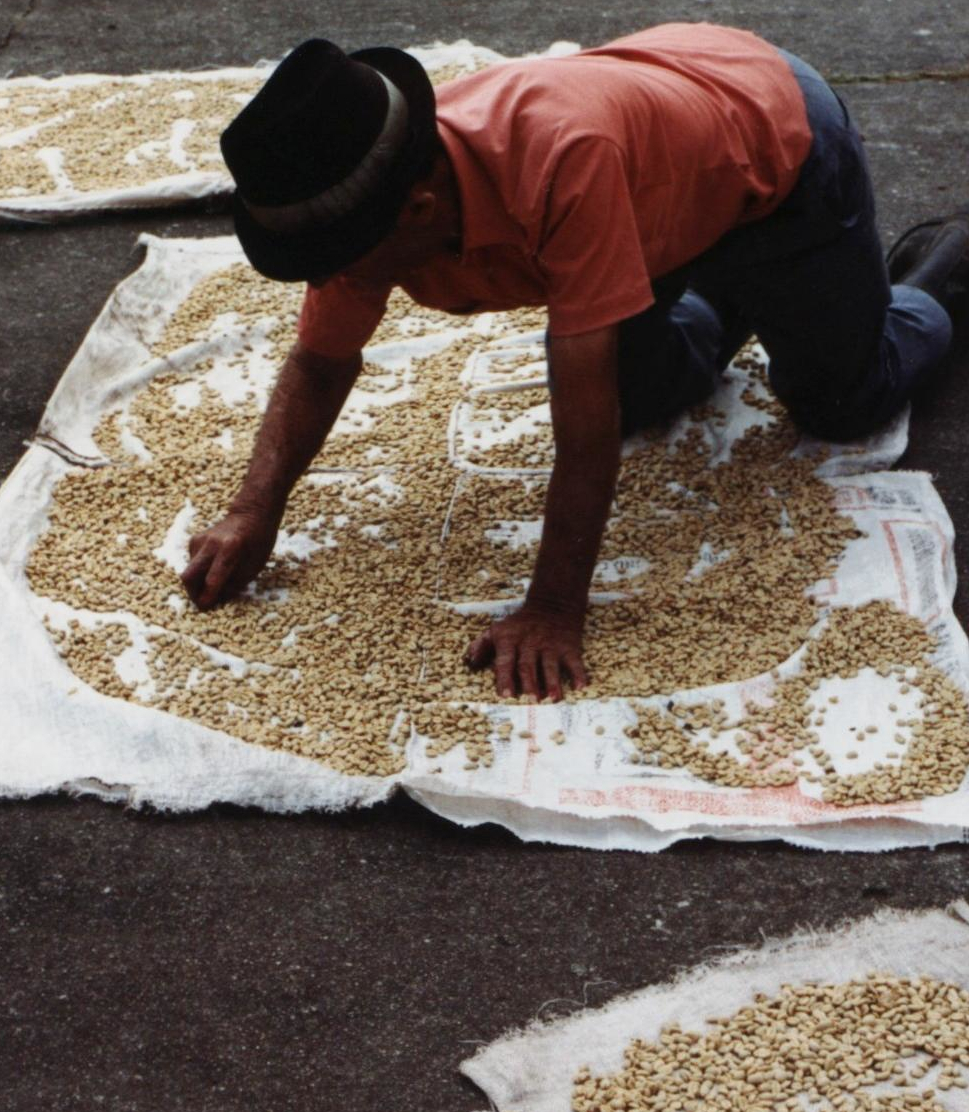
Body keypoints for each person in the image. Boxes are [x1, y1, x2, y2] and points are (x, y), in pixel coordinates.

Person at [180, 23, 968, 701]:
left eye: (336, 259)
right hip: (663, 164)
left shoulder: (560, 162)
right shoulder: (372, 198)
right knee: (642, 391)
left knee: (839, 399)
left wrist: (553, 606)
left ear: (419, 212)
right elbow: (321, 362)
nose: (332, 276)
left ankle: (937, 269)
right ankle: (741, 287)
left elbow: (582, 430)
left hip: (772, 135)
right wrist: (255, 507)